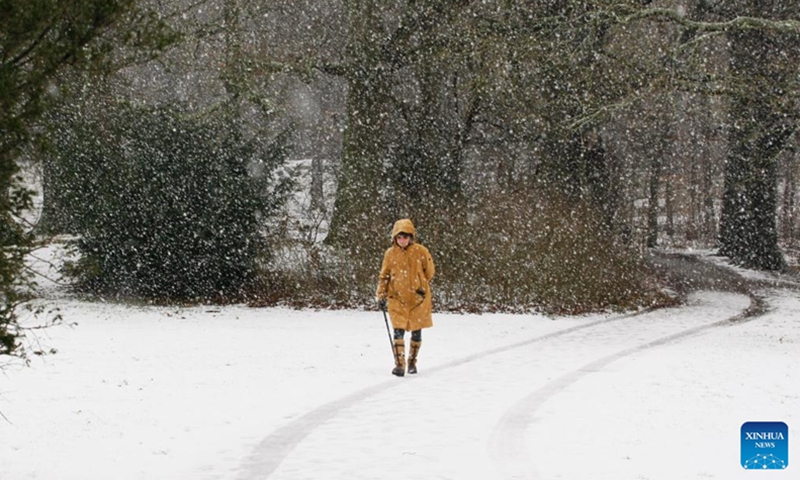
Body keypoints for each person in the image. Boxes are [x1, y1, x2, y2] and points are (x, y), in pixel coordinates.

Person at [376, 218, 435, 377]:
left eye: (406, 237)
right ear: (395, 237)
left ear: (411, 237)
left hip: (418, 299)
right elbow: (384, 276)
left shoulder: (421, 251)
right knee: (398, 331)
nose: (402, 240)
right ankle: (399, 364)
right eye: (399, 237)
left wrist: (420, 284)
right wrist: (381, 294)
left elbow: (429, 271)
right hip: (397, 298)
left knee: (417, 332)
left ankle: (412, 362)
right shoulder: (390, 254)